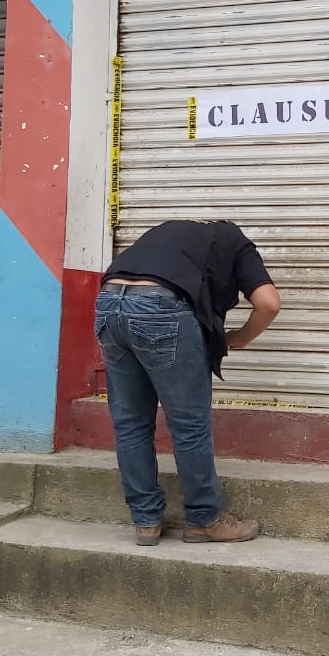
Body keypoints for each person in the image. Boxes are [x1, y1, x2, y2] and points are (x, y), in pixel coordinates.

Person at [94, 219, 281, 545]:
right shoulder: (236, 242)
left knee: (130, 423)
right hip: (160, 306)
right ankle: (204, 519)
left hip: (109, 303)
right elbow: (268, 303)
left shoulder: (175, 232)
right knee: (189, 424)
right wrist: (239, 338)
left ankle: (145, 522)